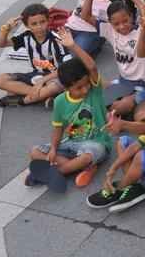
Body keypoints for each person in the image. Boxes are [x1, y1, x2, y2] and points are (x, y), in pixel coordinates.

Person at [25, 54, 109, 189]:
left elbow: (92, 67)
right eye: (79, 87)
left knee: (86, 157)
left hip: (96, 142)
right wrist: (53, 149)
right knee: (35, 152)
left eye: (87, 84)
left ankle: (53, 172)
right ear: (66, 88)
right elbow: (58, 128)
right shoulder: (60, 101)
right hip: (70, 142)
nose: (85, 89)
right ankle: (82, 168)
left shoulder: (94, 92)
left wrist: (72, 45)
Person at [0, 2, 76, 107]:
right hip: (36, 75)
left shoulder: (57, 39)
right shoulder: (26, 37)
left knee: (54, 86)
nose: (39, 27)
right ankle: (43, 95)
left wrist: (42, 81)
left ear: (48, 20)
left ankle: (23, 100)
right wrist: (6, 29)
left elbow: (65, 69)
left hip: (54, 77)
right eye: (34, 24)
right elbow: (0, 44)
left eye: (42, 22)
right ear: (27, 25)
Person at [94, 0, 145, 115]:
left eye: (125, 21)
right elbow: (86, 17)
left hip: (143, 84)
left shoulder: (141, 31)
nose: (122, 26)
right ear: (110, 23)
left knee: (119, 107)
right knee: (97, 99)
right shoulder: (110, 31)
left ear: (132, 17)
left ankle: (108, 118)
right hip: (123, 81)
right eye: (116, 24)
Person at [36, 0, 117, 56]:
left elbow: (89, 19)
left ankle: (96, 46)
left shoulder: (111, 5)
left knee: (76, 54)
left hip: (90, 33)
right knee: (49, 46)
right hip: (70, 27)